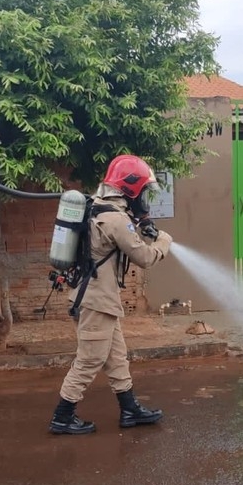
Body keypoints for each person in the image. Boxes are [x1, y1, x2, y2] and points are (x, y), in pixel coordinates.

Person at [49, 154, 173, 435]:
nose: (143, 198)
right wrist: (164, 241)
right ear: (130, 189)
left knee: (116, 357)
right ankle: (62, 415)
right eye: (142, 191)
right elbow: (144, 257)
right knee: (90, 359)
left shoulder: (99, 208)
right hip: (95, 302)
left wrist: (141, 222)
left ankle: (130, 409)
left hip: (99, 300)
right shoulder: (116, 219)